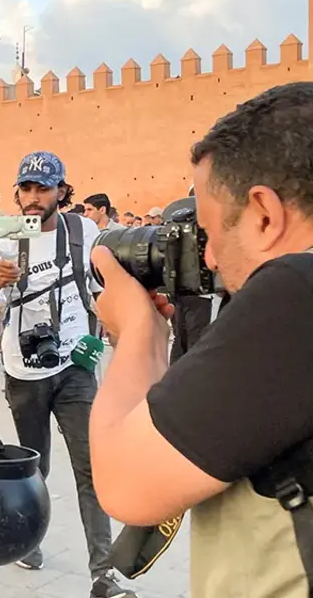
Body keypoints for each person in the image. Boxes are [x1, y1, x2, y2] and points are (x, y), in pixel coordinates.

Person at [89, 81, 313, 596]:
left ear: (264, 213)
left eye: (211, 233)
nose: (208, 259)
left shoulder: (296, 295)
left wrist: (138, 332)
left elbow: (126, 485)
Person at [0, 151, 134, 597]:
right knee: (33, 465)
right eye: (26, 188)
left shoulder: (83, 230)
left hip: (75, 364)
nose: (34, 197)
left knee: (90, 467)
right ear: (17, 193)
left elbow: (105, 287)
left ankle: (103, 571)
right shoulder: (1, 238)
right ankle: (30, 542)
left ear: (63, 190)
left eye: (44, 188)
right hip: (24, 372)